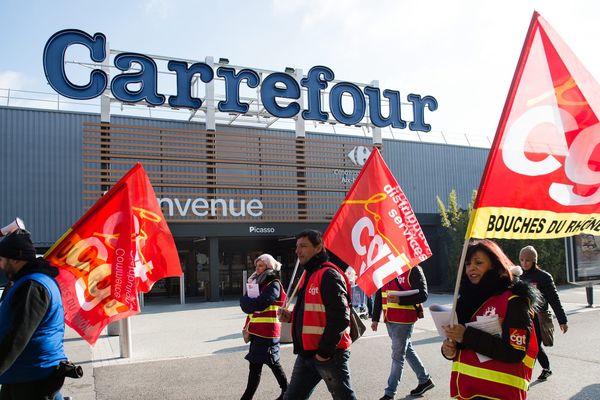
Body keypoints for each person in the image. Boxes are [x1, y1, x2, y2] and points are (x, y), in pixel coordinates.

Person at [441, 239, 541, 400]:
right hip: (466, 391)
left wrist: (466, 336)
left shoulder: (514, 300)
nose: (471, 268)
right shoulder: (464, 300)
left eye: (478, 262)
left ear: (494, 265)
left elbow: (515, 352)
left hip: (500, 393)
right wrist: (449, 349)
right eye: (467, 264)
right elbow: (461, 346)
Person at [279, 229, 357, 400]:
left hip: (329, 354)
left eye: (303, 246)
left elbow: (340, 317)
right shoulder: (309, 274)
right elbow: (313, 312)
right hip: (307, 353)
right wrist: (291, 317)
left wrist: (324, 352)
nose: (298, 250)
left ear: (318, 247)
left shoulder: (328, 274)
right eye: (297, 246)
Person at [0, 229, 68, 399]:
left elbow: (19, 334)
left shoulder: (32, 287)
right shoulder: (25, 282)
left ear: (16, 259)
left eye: (1, 259)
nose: (0, 265)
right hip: (21, 372)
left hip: (33, 374)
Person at [371, 266, 434, 399]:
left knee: (397, 356)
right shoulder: (385, 269)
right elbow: (379, 294)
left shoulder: (414, 270)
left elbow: (423, 295)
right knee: (407, 350)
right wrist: (375, 318)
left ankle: (390, 393)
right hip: (390, 319)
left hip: (405, 320)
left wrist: (401, 300)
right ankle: (425, 380)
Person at [239, 253, 288, 400]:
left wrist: (248, 304)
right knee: (255, 367)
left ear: (269, 266)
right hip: (257, 332)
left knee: (273, 363)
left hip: (268, 332)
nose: (258, 269)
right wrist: (247, 303)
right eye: (256, 266)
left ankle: (287, 391)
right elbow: (245, 303)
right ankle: (247, 397)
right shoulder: (256, 283)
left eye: (261, 265)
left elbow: (261, 302)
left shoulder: (274, 284)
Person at [519, 245, 568, 381]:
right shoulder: (519, 277)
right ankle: (546, 369)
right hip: (524, 318)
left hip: (539, 319)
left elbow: (554, 299)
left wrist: (562, 320)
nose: (524, 263)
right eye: (522, 260)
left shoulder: (544, 277)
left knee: (533, 347)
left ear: (534, 260)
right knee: (529, 346)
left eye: (527, 260)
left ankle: (526, 378)